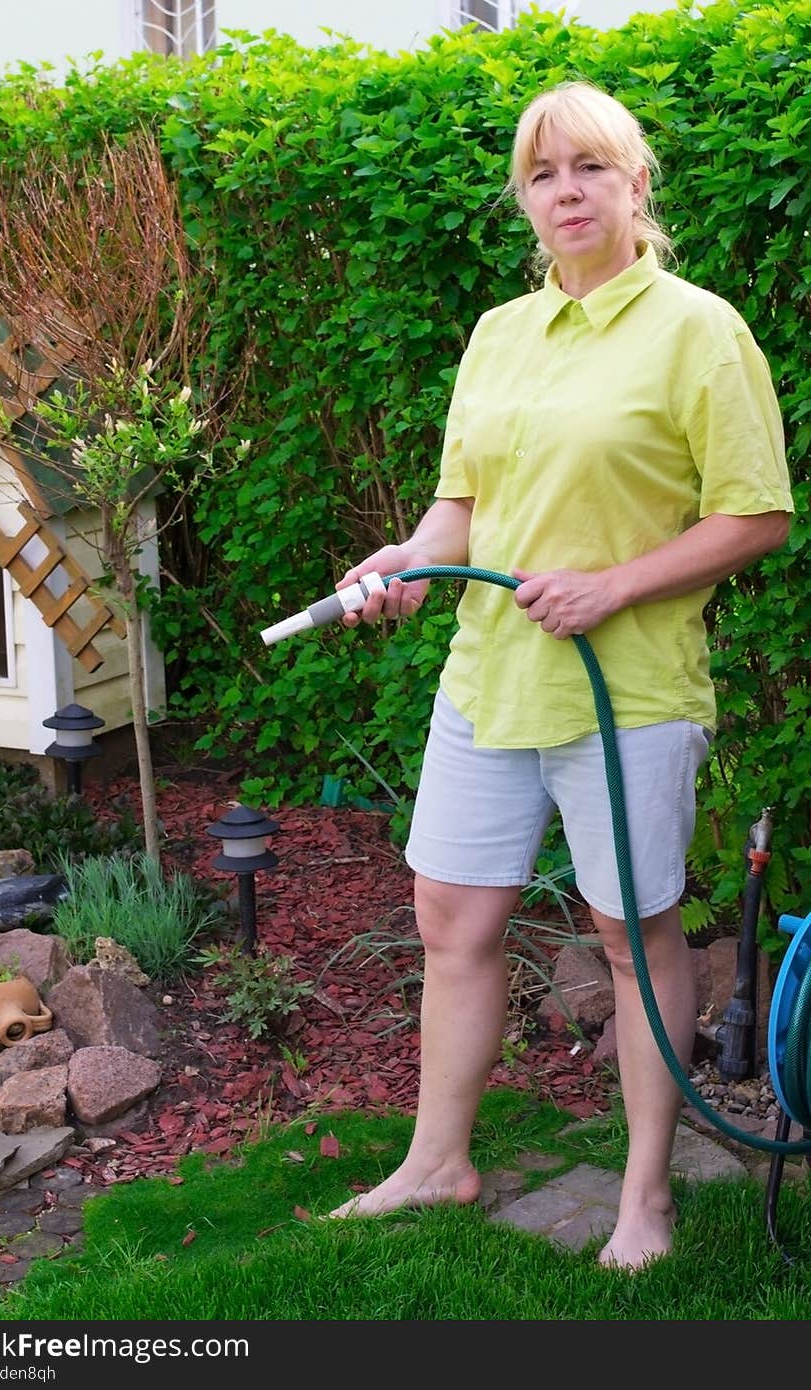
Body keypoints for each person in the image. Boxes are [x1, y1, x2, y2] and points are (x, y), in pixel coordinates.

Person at [328, 80, 793, 1269]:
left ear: (636, 181)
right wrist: (410, 562)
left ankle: (643, 1193)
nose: (566, 191)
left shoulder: (698, 328)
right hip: (489, 678)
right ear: (524, 202)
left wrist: (613, 583)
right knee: (451, 916)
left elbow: (755, 516)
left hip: (624, 686)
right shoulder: (500, 332)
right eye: (542, 175)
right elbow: (459, 506)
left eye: (589, 166)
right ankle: (439, 1162)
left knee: (631, 932)